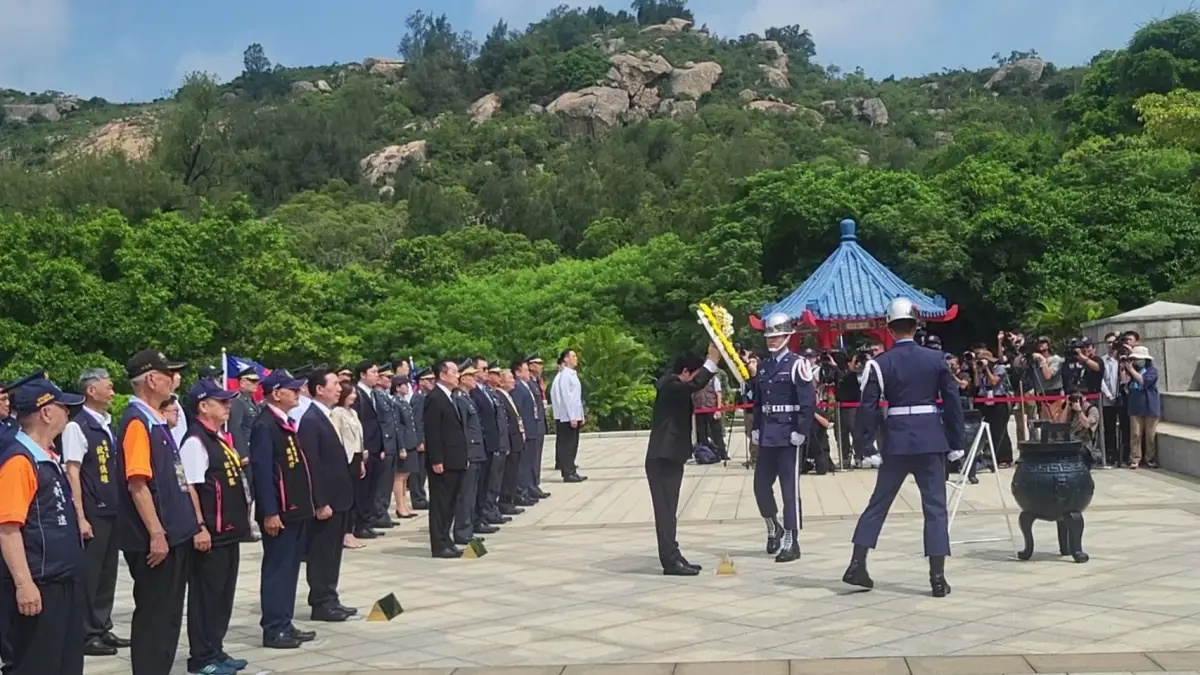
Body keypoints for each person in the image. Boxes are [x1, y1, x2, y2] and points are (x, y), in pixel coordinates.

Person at [843, 298, 965, 598]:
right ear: (917, 324)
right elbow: (952, 403)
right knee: (935, 509)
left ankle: (857, 563)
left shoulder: (878, 364)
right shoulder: (936, 359)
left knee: (878, 504)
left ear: (889, 327)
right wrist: (956, 442)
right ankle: (937, 578)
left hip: (896, 440)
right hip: (930, 438)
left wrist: (866, 446)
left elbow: (867, 408)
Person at [115, 350, 197, 675]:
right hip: (156, 542)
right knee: (155, 617)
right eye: (169, 373)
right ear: (151, 379)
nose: (174, 379)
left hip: (175, 535)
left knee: (168, 617)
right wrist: (156, 532)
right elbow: (138, 483)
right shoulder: (137, 423)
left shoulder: (155, 421)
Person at [0, 378, 87, 675]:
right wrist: (24, 585)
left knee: (66, 662)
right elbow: (8, 528)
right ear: (46, 413)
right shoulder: (19, 461)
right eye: (64, 408)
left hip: (63, 580)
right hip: (41, 585)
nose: (69, 414)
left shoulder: (46, 457)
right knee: (38, 664)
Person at [178, 379, 250, 675]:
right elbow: (191, 488)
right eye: (221, 402)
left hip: (230, 530)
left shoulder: (218, 437)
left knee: (223, 595)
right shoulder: (195, 441)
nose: (227, 406)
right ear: (203, 406)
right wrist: (199, 527)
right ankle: (202, 657)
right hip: (212, 531)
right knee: (206, 596)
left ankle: (216, 649)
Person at [59, 367, 129, 657]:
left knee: (108, 573)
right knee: (90, 574)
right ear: (91, 390)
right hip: (92, 510)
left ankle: (102, 625)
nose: (113, 392)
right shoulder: (78, 426)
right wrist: (80, 516)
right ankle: (86, 633)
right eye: (108, 386)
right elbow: (72, 471)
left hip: (112, 509)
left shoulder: (107, 424)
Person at [249, 369, 316, 649]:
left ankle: (285, 623)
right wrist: (270, 511)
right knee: (277, 569)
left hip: (295, 509)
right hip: (280, 512)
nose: (298, 393)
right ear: (276, 393)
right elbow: (263, 473)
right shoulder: (265, 425)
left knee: (289, 569)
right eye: (292, 389)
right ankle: (274, 627)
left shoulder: (285, 422)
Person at [645, 344, 721, 576]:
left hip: (670, 457)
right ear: (687, 371)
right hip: (662, 458)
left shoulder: (674, 385)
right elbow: (695, 385)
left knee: (670, 511)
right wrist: (712, 360)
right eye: (696, 373)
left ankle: (674, 554)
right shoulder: (671, 385)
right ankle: (670, 561)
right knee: (665, 511)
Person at [748, 312, 816, 563]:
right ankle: (772, 526)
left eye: (776, 336)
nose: (772, 340)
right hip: (768, 431)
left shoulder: (798, 364)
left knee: (790, 490)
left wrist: (802, 430)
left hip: (788, 433)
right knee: (760, 486)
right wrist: (756, 427)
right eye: (769, 336)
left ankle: (791, 538)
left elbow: (808, 402)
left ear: (788, 336)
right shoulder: (764, 365)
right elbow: (758, 400)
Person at [296, 367, 357, 623]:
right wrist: (320, 502)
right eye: (333, 383)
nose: (339, 388)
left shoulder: (328, 416)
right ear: (319, 389)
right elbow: (312, 465)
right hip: (327, 501)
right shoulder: (310, 420)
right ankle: (320, 601)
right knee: (322, 553)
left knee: (333, 553)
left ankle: (331, 597)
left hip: (339, 497)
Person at [423, 360, 469, 558]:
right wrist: (436, 459)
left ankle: (446, 539)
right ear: (442, 375)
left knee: (451, 502)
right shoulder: (435, 398)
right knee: (441, 503)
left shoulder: (450, 396)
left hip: (456, 458)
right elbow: (432, 431)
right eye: (454, 372)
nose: (457, 375)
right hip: (444, 461)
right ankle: (439, 544)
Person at [452, 363, 490, 545]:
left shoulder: (467, 398)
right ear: (463, 378)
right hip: (470, 452)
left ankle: (468, 528)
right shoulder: (459, 399)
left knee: (472, 493)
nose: (475, 379)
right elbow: (464, 430)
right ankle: (462, 531)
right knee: (465, 495)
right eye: (472, 376)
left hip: (477, 451)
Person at [470, 360, 508, 527]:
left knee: (487, 482)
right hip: (482, 445)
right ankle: (478, 517)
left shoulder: (485, 391)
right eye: (483, 369)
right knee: (479, 485)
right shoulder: (473, 392)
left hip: (491, 444)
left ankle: (483, 515)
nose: (487, 372)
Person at [329, 384, 367, 550]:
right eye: (351, 394)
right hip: (346, 457)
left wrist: (362, 460)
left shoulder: (354, 412)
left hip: (357, 456)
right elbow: (337, 436)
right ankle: (345, 533)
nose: (354, 397)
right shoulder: (337, 413)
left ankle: (350, 530)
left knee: (355, 496)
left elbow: (359, 435)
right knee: (346, 496)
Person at [350, 361, 384, 540]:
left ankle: (368, 522)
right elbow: (358, 425)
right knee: (363, 490)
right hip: (365, 449)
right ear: (362, 375)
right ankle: (360, 524)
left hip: (376, 448)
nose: (376, 375)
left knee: (372, 489)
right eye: (373, 372)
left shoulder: (374, 394)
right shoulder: (357, 394)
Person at [512, 359, 550, 503]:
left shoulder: (528, 385)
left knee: (532, 461)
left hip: (534, 427)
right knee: (525, 463)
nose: (528, 373)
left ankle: (531, 486)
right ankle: (524, 490)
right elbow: (519, 410)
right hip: (527, 429)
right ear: (517, 373)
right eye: (525, 370)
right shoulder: (517, 387)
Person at [550, 349, 587, 482]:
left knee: (574, 444)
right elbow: (565, 397)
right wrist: (571, 416)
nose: (575, 358)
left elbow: (577, 398)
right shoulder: (564, 375)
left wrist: (581, 414)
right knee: (567, 445)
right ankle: (567, 472)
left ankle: (572, 469)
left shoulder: (573, 374)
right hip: (567, 416)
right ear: (566, 359)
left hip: (575, 414)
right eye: (573, 356)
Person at [1126, 345, 1161, 469]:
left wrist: (1131, 370)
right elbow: (1124, 381)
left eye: (1138, 359)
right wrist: (1125, 368)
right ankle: (1135, 458)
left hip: (1150, 405)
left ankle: (1150, 458)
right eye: (1134, 358)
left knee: (1150, 435)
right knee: (1135, 434)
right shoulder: (1129, 371)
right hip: (1135, 406)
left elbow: (1143, 381)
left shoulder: (1152, 371)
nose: (1136, 361)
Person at [392, 376, 420, 519]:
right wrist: (401, 447)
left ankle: (404, 504)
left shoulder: (404, 402)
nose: (407, 387)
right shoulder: (396, 402)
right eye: (403, 385)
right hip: (404, 443)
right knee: (400, 476)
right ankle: (399, 505)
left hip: (410, 441)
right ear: (397, 387)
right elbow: (398, 427)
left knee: (406, 474)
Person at [407, 369, 434, 511]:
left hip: (426, 437)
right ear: (421, 382)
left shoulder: (425, 396)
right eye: (429, 380)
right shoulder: (418, 397)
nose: (432, 383)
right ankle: (417, 498)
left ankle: (421, 495)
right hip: (420, 439)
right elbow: (417, 421)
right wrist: (419, 440)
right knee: (418, 471)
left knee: (423, 471)